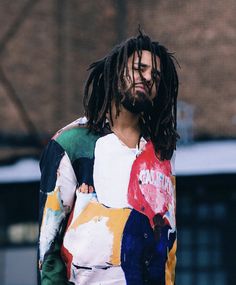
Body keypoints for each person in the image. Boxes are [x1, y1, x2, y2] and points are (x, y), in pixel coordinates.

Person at [38, 30, 179, 285]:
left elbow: (169, 247)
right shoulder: (71, 143)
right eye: (139, 68)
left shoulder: (160, 155)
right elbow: (49, 243)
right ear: (116, 73)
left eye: (155, 76)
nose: (147, 78)